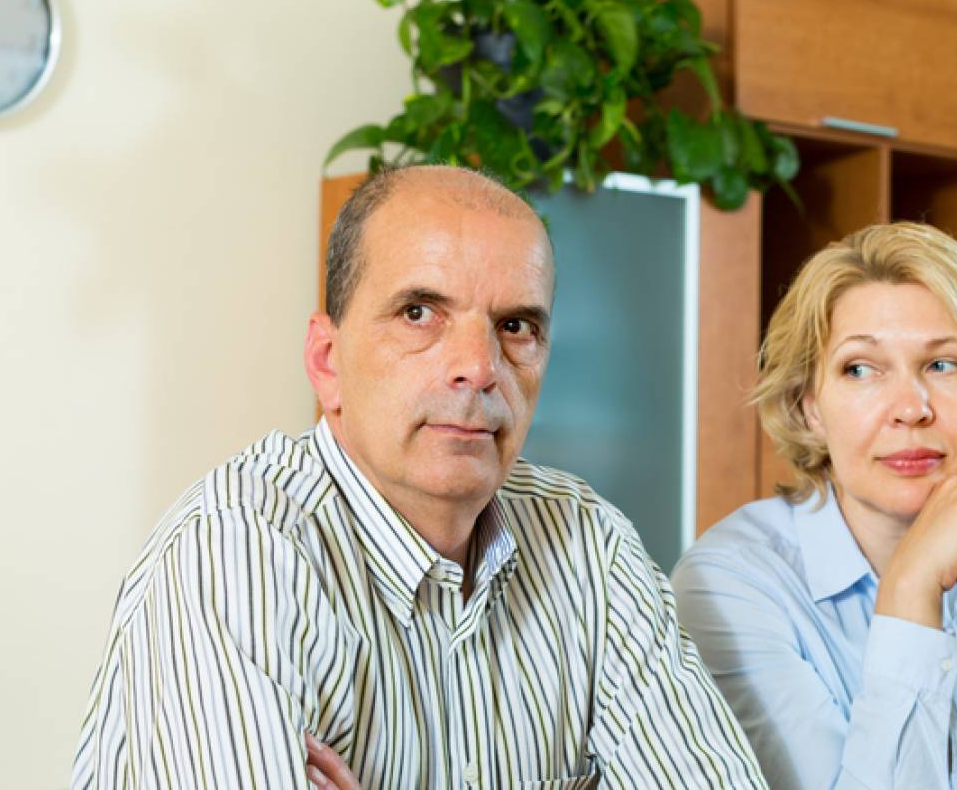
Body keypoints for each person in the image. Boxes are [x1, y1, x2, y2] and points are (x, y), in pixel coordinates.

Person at [72, 166, 766, 788]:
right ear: (326, 360)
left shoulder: (591, 547)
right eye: (419, 313)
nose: (479, 366)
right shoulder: (234, 554)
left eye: (515, 325)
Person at [671, 222, 957, 789]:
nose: (910, 409)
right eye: (860, 369)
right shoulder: (728, 586)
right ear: (810, 407)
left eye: (944, 364)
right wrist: (910, 588)